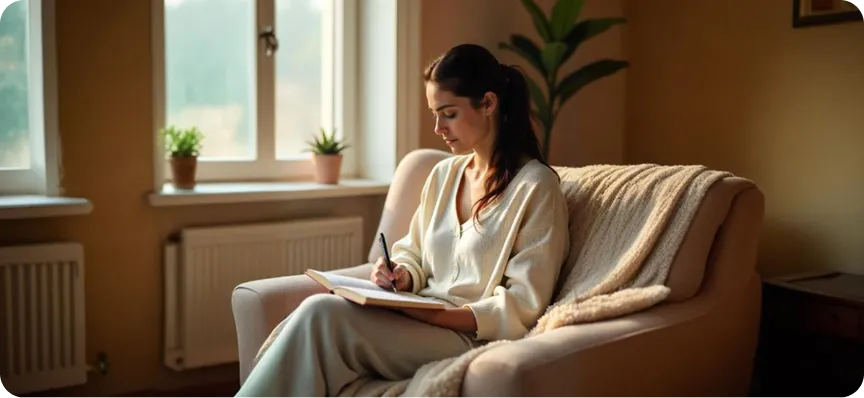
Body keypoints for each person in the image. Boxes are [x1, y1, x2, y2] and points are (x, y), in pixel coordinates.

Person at [234, 43, 570, 398]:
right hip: (417, 320)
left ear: (488, 103)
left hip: (469, 337)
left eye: (449, 113)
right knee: (321, 309)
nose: (438, 127)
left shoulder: (536, 188)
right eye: (434, 114)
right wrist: (401, 274)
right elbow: (413, 252)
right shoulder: (443, 175)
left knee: (323, 316)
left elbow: (522, 304)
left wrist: (434, 315)